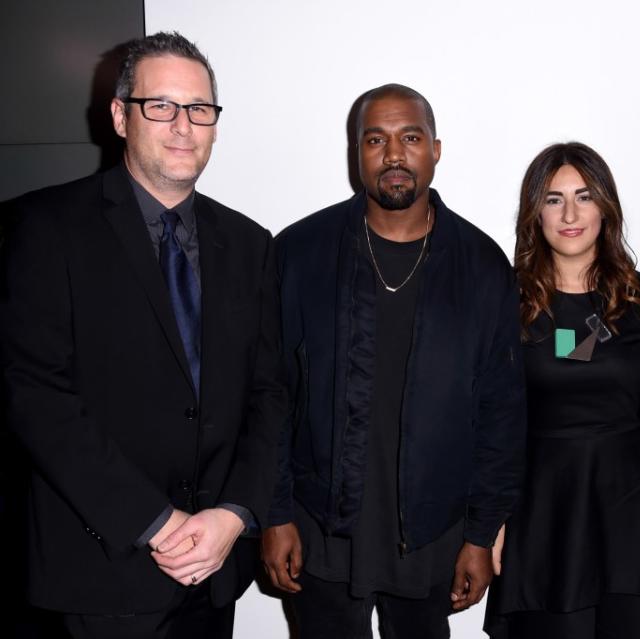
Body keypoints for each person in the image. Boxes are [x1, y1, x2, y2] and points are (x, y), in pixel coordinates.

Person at [0, 32, 287, 639]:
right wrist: (159, 524)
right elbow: (36, 398)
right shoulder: (43, 228)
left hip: (212, 574)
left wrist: (233, 516)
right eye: (161, 105)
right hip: (99, 574)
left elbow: (271, 395)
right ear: (119, 116)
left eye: (199, 109)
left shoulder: (250, 245)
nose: (183, 125)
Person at [260, 84, 526, 639]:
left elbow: (500, 412)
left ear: (435, 149)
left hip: (433, 532)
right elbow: (271, 394)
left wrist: (481, 535)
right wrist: (276, 514)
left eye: (410, 137)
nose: (394, 155)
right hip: (319, 529)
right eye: (375, 140)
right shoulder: (300, 252)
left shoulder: (481, 265)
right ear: (355, 153)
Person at [485, 142, 640, 639]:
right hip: (541, 517)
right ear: (535, 212)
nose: (571, 213)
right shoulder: (506, 300)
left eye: (584, 196)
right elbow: (490, 425)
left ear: (606, 206)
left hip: (631, 512)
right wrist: (489, 527)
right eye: (554, 199)